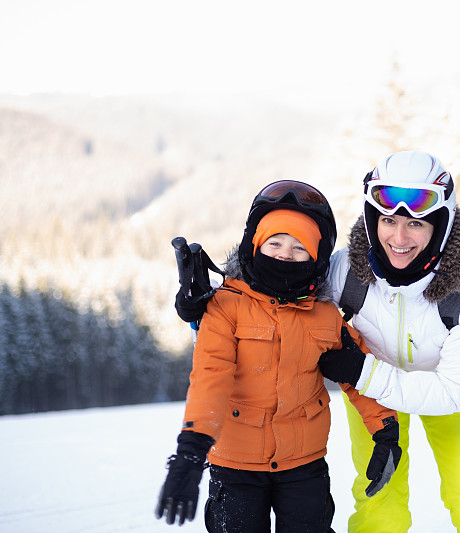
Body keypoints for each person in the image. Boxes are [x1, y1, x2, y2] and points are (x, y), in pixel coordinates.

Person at [156, 180, 402, 532]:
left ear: (316, 257)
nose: (286, 254)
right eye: (275, 243)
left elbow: (358, 375)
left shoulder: (325, 315)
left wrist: (385, 431)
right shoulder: (226, 307)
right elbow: (211, 378)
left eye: (299, 247)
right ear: (255, 245)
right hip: (236, 464)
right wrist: (190, 451)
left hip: (304, 466)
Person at [318, 150, 460, 532]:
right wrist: (211, 304)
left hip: (444, 387)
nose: (399, 237)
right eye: (388, 220)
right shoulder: (347, 271)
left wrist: (362, 372)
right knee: (379, 497)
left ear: (440, 226)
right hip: (373, 397)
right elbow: (280, 299)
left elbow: (454, 391)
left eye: (417, 224)